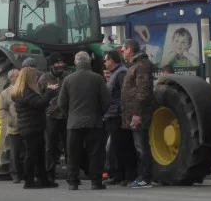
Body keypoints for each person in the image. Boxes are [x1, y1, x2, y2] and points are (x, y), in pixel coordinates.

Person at [58, 51, 111, 190]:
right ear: (89, 62)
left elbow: (61, 102)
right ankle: (96, 182)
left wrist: (69, 115)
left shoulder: (68, 79)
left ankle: (73, 182)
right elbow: (106, 100)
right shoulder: (98, 78)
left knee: (73, 153)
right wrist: (99, 114)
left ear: (76, 62)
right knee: (95, 153)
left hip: (74, 123)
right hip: (94, 122)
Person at [11, 67, 59, 189]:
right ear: (29, 78)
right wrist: (49, 91)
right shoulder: (26, 92)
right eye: (35, 76)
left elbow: (39, 102)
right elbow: (39, 104)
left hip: (33, 126)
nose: (37, 78)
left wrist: (48, 92)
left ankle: (42, 179)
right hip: (31, 127)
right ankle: (29, 181)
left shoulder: (24, 91)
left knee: (38, 153)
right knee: (32, 154)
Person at [121, 39, 154, 189]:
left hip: (138, 114)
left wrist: (137, 113)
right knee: (137, 145)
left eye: (123, 50)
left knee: (141, 146)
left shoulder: (141, 66)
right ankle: (141, 175)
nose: (122, 53)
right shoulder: (135, 65)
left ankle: (145, 177)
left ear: (129, 50)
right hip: (132, 113)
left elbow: (142, 91)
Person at [102, 50, 137, 186]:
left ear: (111, 61)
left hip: (118, 115)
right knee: (117, 147)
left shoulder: (121, 73)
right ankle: (119, 175)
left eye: (105, 60)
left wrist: (123, 113)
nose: (104, 63)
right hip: (113, 114)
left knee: (124, 146)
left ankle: (129, 175)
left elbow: (125, 95)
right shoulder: (116, 73)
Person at [37, 52, 70, 181]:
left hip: (65, 116)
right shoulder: (44, 78)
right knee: (50, 147)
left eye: (61, 62)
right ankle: (50, 173)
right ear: (51, 65)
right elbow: (39, 97)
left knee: (69, 147)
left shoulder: (68, 77)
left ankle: (71, 174)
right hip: (51, 117)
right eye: (57, 62)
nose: (60, 65)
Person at [0, 68, 24, 183]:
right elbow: (1, 111)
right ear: (11, 78)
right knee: (15, 153)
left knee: (26, 152)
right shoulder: (5, 93)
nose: (20, 78)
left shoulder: (25, 90)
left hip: (27, 126)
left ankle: (25, 173)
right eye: (17, 76)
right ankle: (15, 174)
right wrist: (11, 122)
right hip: (14, 128)